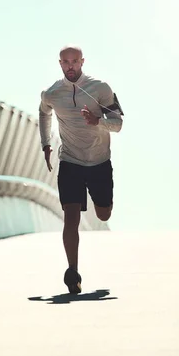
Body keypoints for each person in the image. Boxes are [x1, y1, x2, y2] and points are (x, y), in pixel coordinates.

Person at [38, 45, 123, 294]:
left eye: (75, 61)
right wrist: (45, 144)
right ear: (60, 63)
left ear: (83, 61)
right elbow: (44, 113)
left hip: (99, 162)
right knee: (71, 216)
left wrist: (98, 121)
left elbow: (118, 124)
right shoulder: (52, 93)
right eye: (66, 62)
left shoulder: (101, 88)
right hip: (70, 161)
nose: (70, 66)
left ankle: (104, 205)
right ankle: (72, 271)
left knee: (104, 214)